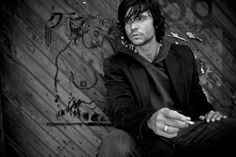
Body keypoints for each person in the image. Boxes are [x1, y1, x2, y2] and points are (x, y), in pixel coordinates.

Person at [97, 0, 236, 156]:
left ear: (156, 22)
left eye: (140, 18)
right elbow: (119, 108)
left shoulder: (183, 54)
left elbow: (197, 98)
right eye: (127, 21)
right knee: (114, 142)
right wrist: (150, 119)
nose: (133, 27)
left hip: (186, 131)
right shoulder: (117, 64)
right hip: (146, 138)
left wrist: (210, 113)